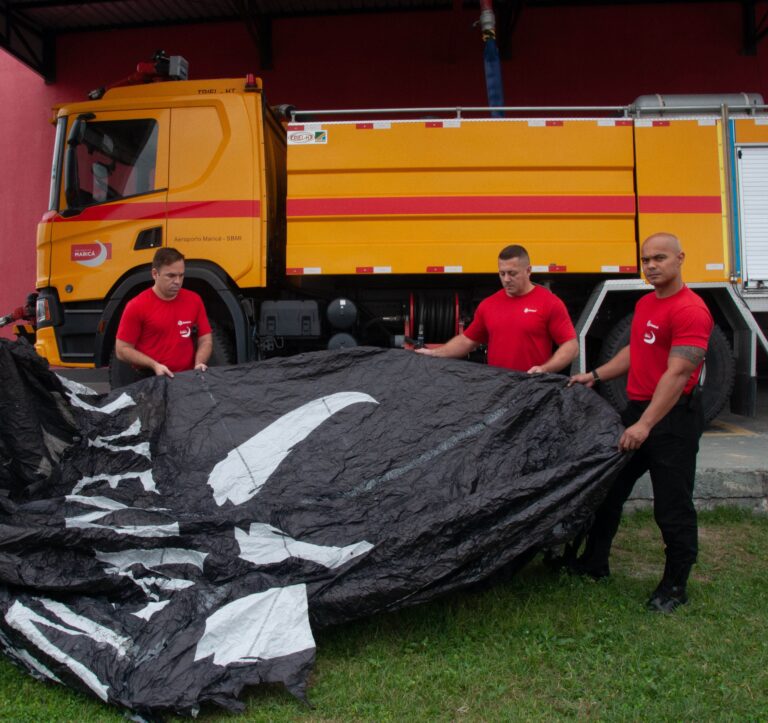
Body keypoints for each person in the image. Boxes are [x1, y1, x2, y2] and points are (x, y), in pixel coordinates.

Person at [569, 232, 713, 613]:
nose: (651, 265)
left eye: (660, 258)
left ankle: (675, 586)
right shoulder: (648, 303)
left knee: (672, 506)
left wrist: (645, 425)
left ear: (681, 258)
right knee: (608, 490)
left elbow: (678, 375)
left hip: (672, 420)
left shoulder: (691, 310)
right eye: (646, 259)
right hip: (638, 414)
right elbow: (637, 350)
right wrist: (596, 375)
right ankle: (594, 563)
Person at [416, 245, 578, 373]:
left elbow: (570, 347)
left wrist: (544, 369)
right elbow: (467, 341)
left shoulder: (549, 303)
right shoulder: (488, 305)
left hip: (534, 389)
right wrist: (434, 353)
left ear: (528, 271)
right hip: (499, 389)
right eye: (502, 273)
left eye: (512, 273)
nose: (506, 279)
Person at [115, 247, 212, 379]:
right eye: (171, 276)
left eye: (181, 275)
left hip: (186, 378)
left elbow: (206, 339)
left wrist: (199, 363)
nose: (177, 281)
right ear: (155, 274)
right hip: (151, 378)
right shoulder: (136, 305)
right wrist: (154, 365)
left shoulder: (194, 300)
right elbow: (122, 350)